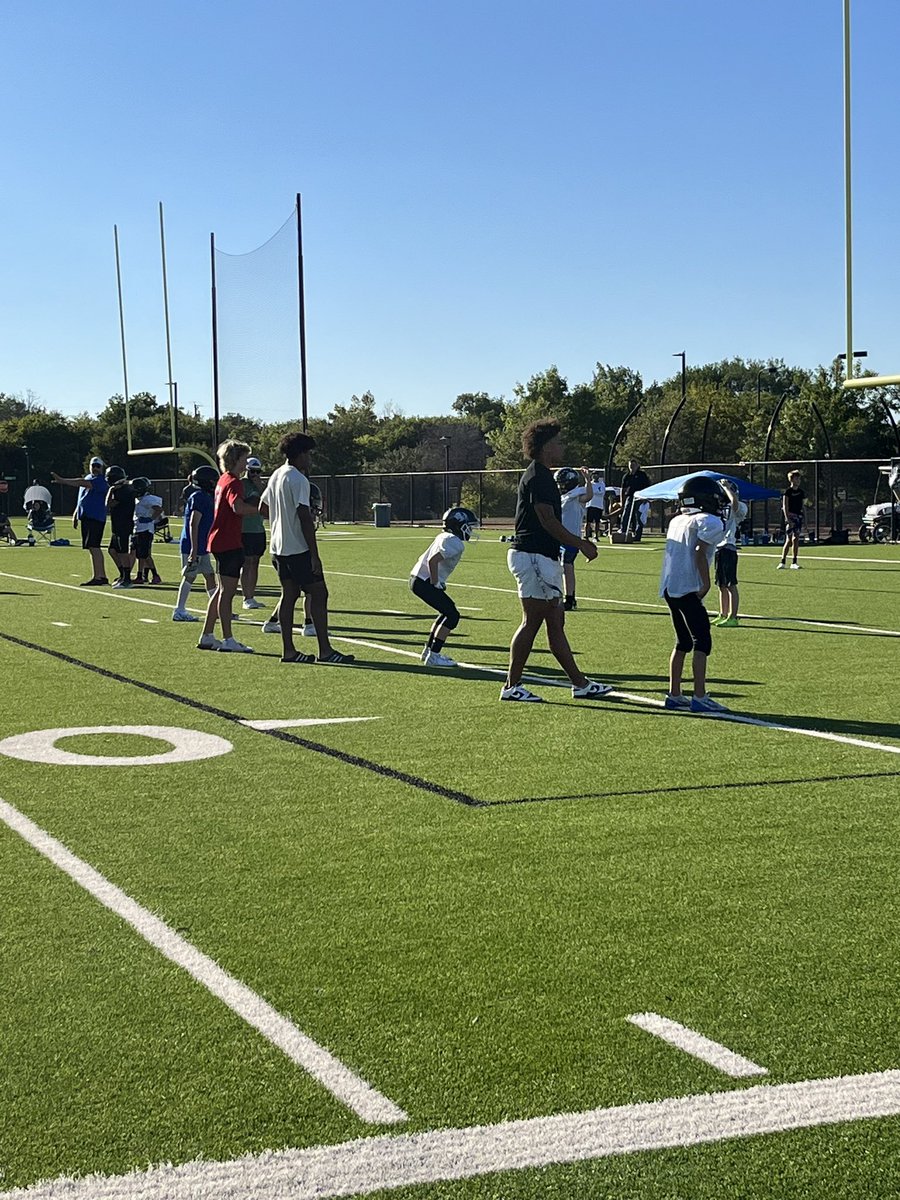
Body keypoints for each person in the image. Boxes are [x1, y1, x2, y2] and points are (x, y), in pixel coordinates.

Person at [501, 419, 612, 703]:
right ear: (545, 447)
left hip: (541, 556)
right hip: (533, 556)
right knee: (533, 621)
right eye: (558, 442)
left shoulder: (543, 476)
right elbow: (547, 520)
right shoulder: (538, 476)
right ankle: (512, 686)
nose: (562, 447)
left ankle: (580, 684)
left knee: (555, 620)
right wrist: (582, 544)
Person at [259, 430, 354, 665]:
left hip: (278, 547)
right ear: (300, 454)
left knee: (289, 595)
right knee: (319, 594)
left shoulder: (276, 475)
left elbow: (263, 508)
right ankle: (325, 650)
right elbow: (304, 517)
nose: (310, 459)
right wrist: (314, 555)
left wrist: (281, 520)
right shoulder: (299, 479)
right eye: (308, 454)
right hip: (298, 549)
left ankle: (289, 651)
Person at [659, 475, 729, 713]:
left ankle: (674, 693)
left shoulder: (678, 520)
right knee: (702, 640)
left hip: (670, 587)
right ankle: (699, 696)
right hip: (688, 587)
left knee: (683, 641)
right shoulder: (708, 521)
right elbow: (700, 552)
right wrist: (706, 583)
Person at [198, 441, 259, 652]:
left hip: (219, 539)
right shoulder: (233, 481)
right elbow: (238, 507)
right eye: (243, 459)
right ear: (235, 459)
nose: (246, 464)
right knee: (227, 593)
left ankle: (207, 634)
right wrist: (261, 508)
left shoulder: (223, 479)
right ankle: (228, 639)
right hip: (228, 541)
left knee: (222, 590)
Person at [409, 507, 478, 667]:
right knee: (452, 615)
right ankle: (433, 655)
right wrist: (435, 582)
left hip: (418, 579)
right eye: (469, 526)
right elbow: (433, 560)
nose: (471, 530)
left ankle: (429, 651)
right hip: (424, 581)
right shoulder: (454, 542)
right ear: (458, 525)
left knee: (446, 612)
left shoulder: (444, 536)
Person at [51, 456, 109, 584]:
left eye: (98, 466)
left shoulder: (101, 481)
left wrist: (63, 480)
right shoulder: (89, 478)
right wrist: (76, 513)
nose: (95, 468)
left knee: (94, 546)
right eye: (93, 466)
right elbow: (82, 497)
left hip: (96, 517)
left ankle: (101, 576)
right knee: (91, 547)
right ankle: (98, 575)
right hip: (87, 517)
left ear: (102, 468)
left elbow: (81, 483)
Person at [172, 465, 218, 622]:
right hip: (193, 544)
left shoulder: (205, 496)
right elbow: (194, 523)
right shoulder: (198, 497)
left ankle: (217, 608)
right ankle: (179, 609)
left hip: (201, 544)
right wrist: (194, 549)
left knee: (209, 575)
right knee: (190, 576)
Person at [555, 467, 591, 611]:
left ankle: (570, 599)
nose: (560, 486)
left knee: (566, 565)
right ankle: (558, 595)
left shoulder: (577, 496)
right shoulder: (561, 497)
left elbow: (588, 496)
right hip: (558, 537)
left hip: (571, 538)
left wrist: (587, 479)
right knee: (556, 567)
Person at [713, 479, 748, 627]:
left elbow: (734, 503)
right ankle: (723, 613)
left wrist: (727, 488)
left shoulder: (740, 506)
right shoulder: (720, 507)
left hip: (729, 547)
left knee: (730, 584)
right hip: (718, 547)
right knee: (721, 585)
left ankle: (733, 616)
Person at [239, 456, 266, 610]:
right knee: (247, 562)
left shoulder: (260, 486)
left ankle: (252, 595)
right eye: (252, 471)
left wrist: (260, 487)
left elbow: (268, 501)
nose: (255, 474)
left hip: (258, 529)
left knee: (255, 562)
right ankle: (246, 597)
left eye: (258, 472)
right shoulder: (242, 484)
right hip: (245, 529)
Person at [104, 467, 135, 588]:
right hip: (117, 524)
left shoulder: (123, 490)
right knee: (112, 550)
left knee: (122, 552)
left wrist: (111, 490)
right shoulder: (123, 489)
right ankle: (123, 574)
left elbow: (108, 504)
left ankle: (127, 579)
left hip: (124, 524)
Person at [130, 477, 163, 585]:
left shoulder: (148, 499)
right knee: (140, 554)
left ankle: (155, 575)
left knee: (144, 555)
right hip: (138, 528)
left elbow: (159, 509)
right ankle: (140, 575)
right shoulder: (139, 499)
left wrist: (151, 519)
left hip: (145, 529)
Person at [778, 469, 805, 569]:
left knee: (796, 539)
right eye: (796, 478)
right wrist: (788, 519)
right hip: (790, 517)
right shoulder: (787, 492)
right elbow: (785, 506)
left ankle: (794, 562)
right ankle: (782, 561)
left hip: (798, 517)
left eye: (799, 478)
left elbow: (802, 506)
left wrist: (804, 519)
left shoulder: (801, 492)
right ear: (792, 480)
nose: (798, 480)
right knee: (788, 539)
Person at [620, 459, 651, 536]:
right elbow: (623, 489)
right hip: (630, 497)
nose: (632, 467)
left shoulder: (642, 475)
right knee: (626, 515)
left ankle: (638, 534)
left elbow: (647, 487)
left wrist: (646, 498)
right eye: (630, 465)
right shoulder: (626, 476)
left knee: (639, 516)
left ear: (637, 466)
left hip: (640, 497)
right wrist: (622, 501)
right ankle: (623, 532)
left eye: (633, 465)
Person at [584, 470, 607, 540]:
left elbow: (602, 492)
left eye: (596, 475)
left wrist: (594, 492)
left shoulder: (602, 484)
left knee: (597, 522)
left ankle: (596, 536)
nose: (595, 476)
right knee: (588, 521)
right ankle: (586, 535)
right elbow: (587, 492)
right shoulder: (589, 484)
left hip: (598, 505)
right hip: (590, 505)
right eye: (593, 475)